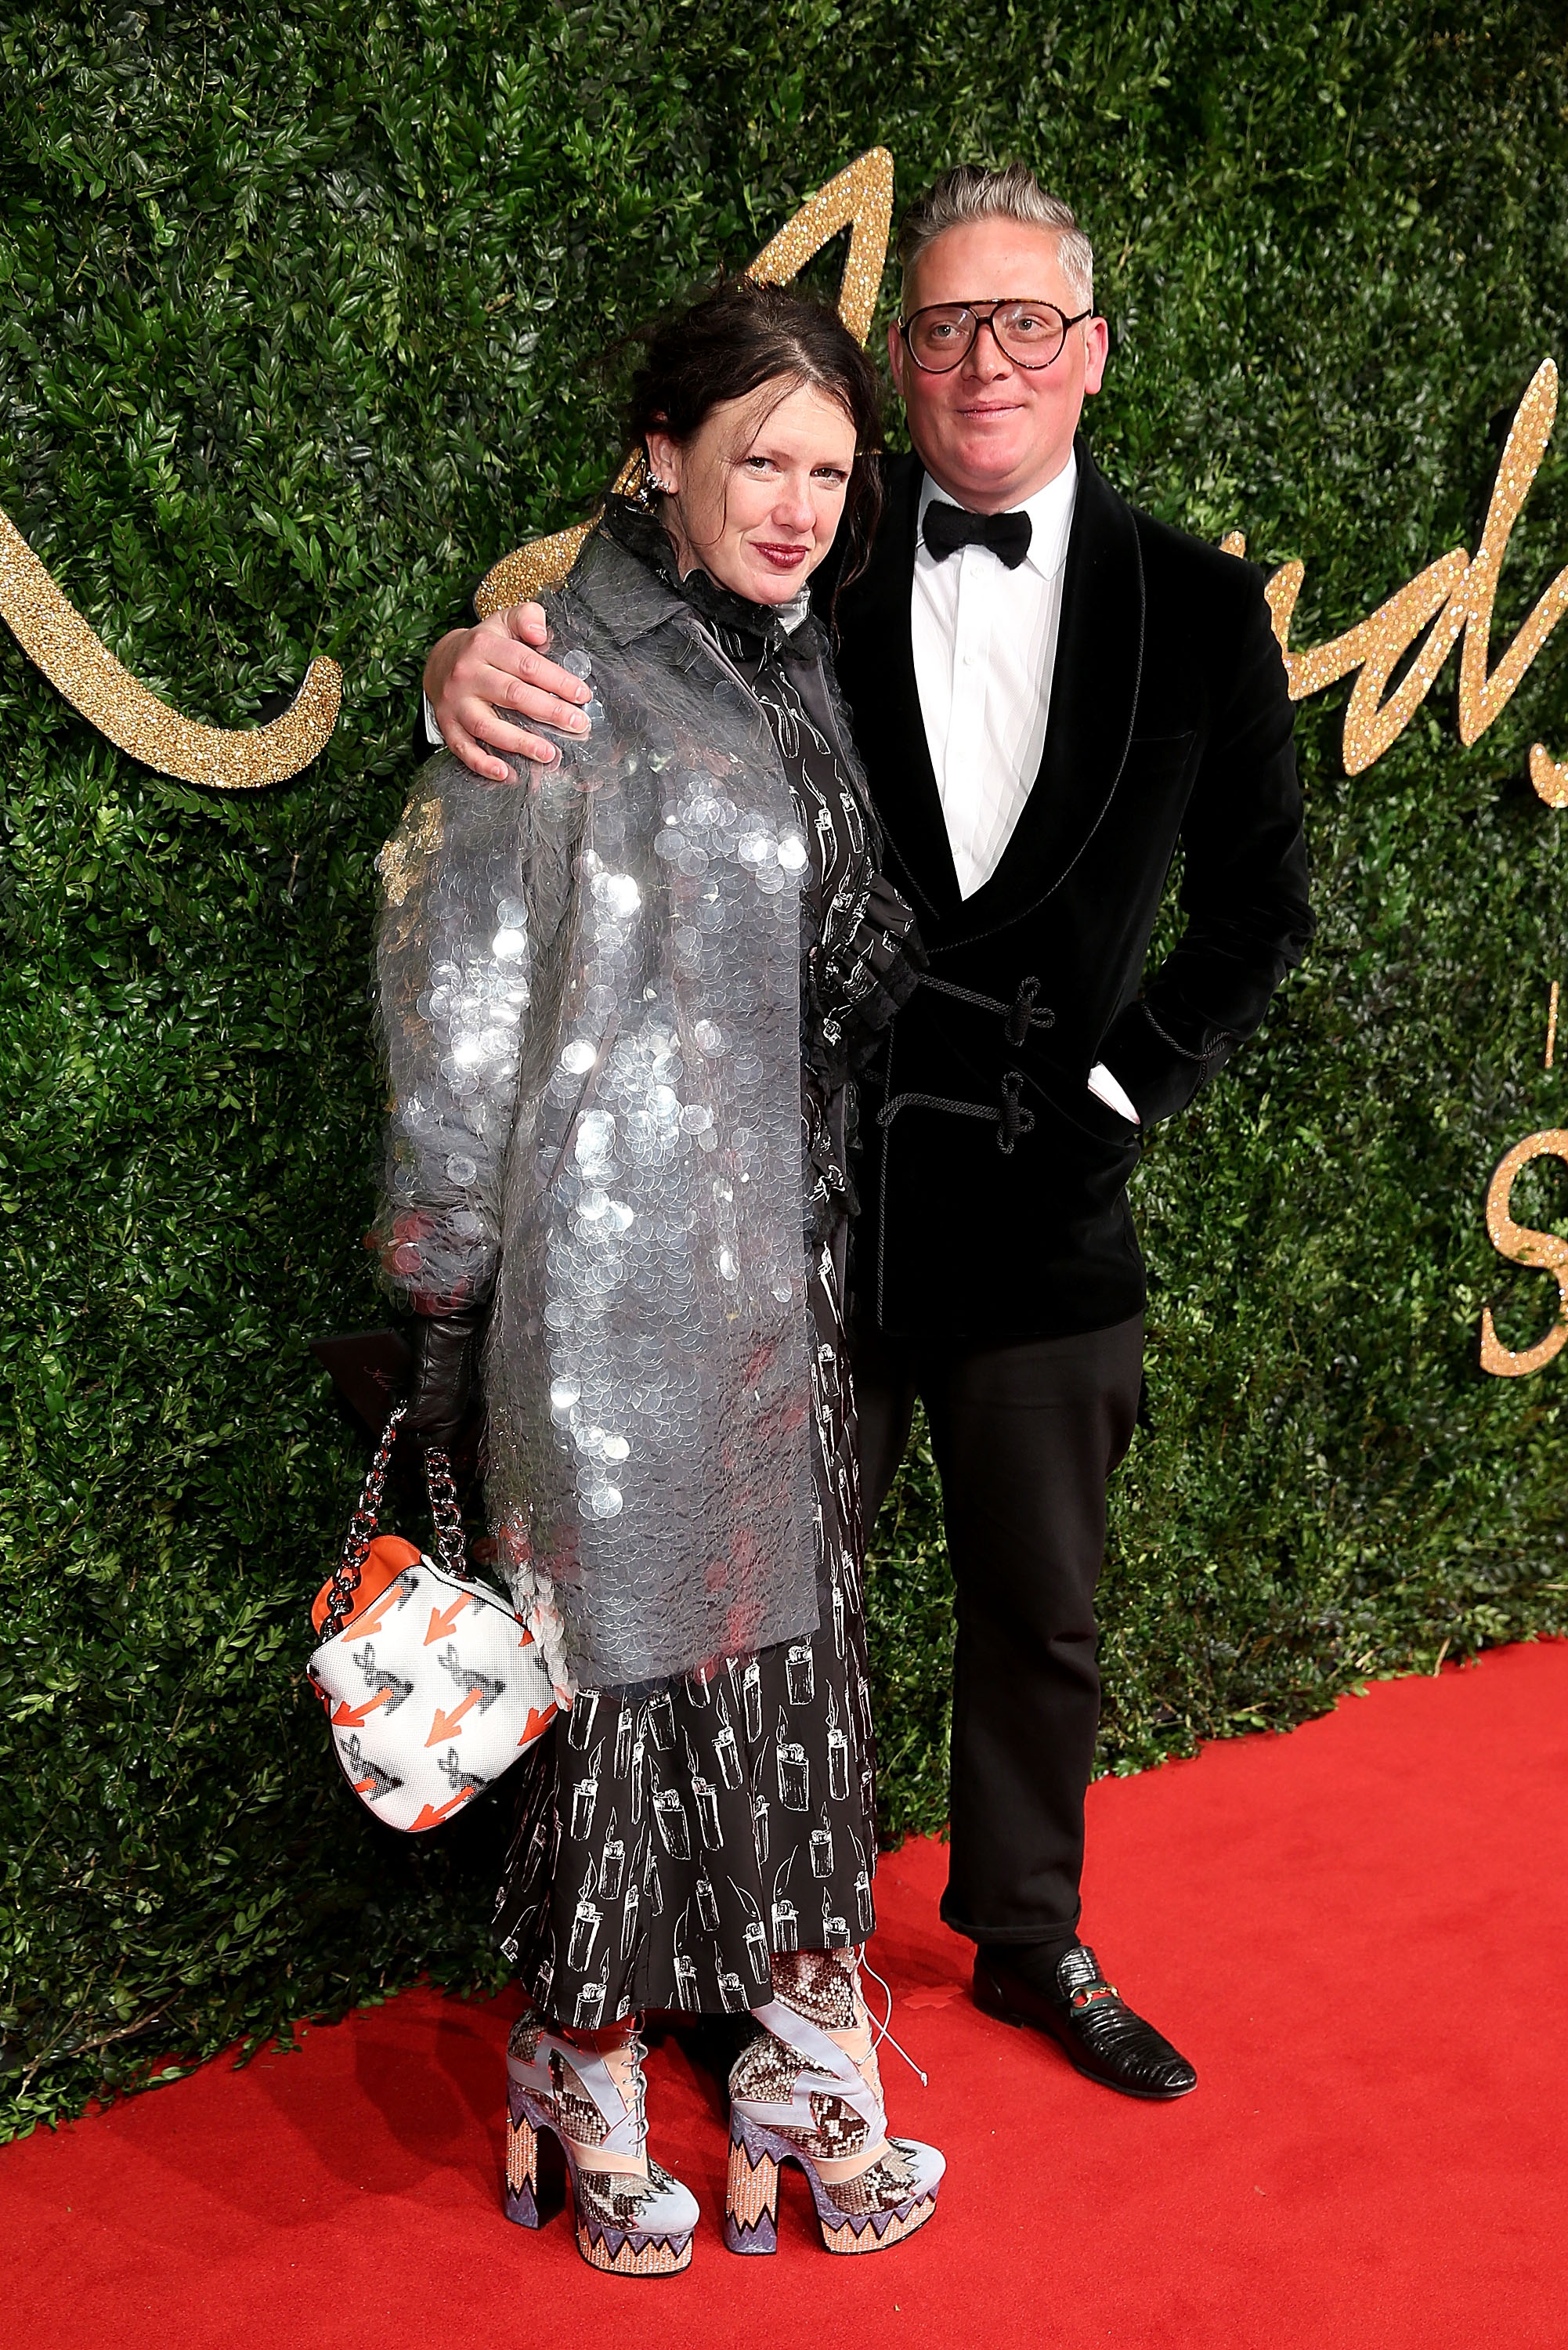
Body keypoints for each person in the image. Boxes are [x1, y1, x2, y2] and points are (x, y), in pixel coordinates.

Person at [420, 165, 1313, 2103]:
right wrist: (455, 664)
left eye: (1023, 322)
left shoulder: (1195, 602)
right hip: (804, 1208)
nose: (983, 360)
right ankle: (717, 1964)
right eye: (943, 325)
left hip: (1052, 1208)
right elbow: (624, 608)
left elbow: (1260, 907)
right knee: (747, 1611)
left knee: (1041, 1608)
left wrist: (1116, 1097)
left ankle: (1028, 1936)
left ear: (1089, 353)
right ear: (900, 360)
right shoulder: (816, 525)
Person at [378, 277, 943, 2277]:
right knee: (619, 1690)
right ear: (656, 458)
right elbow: (453, 1001)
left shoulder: (798, 655)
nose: (794, 505)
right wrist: (440, 1283)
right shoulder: (551, 674)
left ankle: (792, 2056)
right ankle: (585, 2059)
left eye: (826, 471)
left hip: (795, 1282)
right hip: (606, 1304)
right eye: (755, 460)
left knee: (789, 1681)